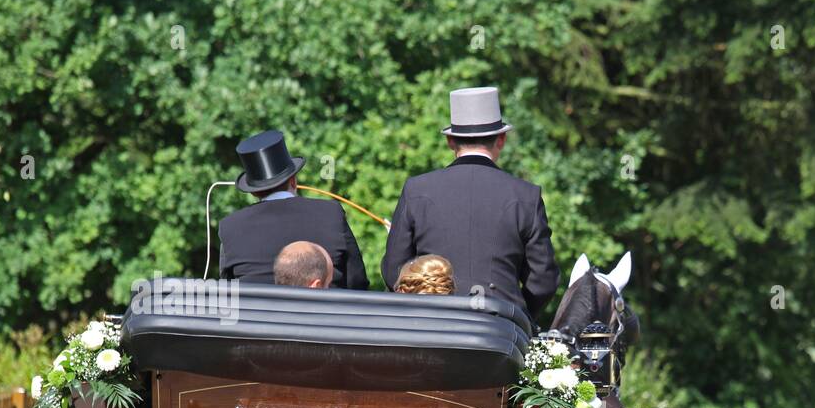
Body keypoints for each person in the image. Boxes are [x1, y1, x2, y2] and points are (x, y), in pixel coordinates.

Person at [381, 87, 559, 318]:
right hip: (501, 327)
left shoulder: (417, 189)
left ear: (450, 140)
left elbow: (393, 271)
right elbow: (543, 280)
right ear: (502, 139)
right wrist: (517, 315)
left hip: (432, 321)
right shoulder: (526, 195)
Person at [218, 130, 368, 289]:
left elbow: (227, 291)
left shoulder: (230, 227)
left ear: (254, 191)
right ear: (294, 180)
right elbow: (357, 282)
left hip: (258, 314)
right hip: (325, 312)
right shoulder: (331, 213)